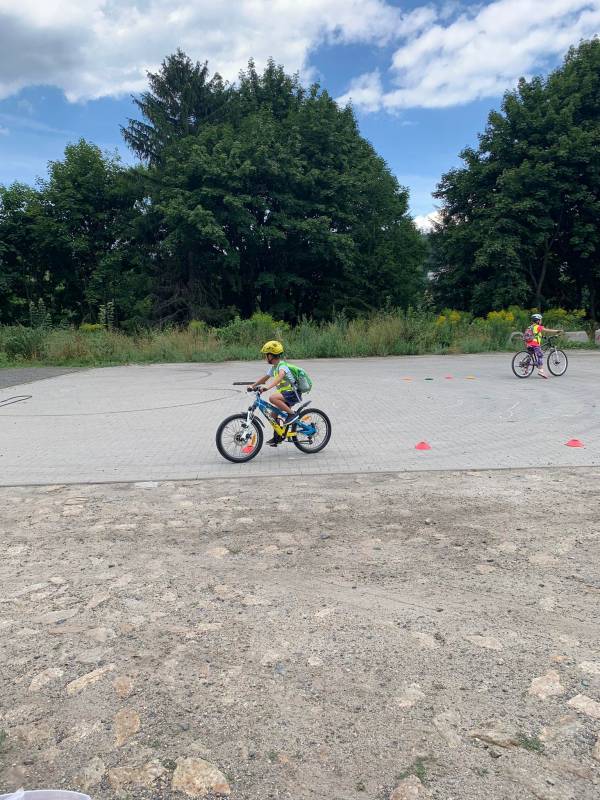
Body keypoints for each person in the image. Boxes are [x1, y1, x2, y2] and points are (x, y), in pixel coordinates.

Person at [249, 340, 302, 446]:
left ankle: (292, 415)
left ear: (271, 355)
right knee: (273, 416)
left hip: (293, 393)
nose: (265, 357)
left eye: (266, 355)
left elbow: (279, 377)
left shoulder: (282, 366)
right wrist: (253, 386)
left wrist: (267, 388)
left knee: (272, 398)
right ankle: (278, 437)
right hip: (286, 395)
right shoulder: (274, 367)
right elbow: (264, 378)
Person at [524, 313, 563, 378]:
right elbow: (547, 330)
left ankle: (526, 369)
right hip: (535, 344)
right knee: (540, 355)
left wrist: (543, 337)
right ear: (538, 321)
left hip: (528, 343)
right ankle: (541, 371)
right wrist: (556, 331)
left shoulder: (530, 327)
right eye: (540, 320)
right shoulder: (538, 327)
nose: (541, 321)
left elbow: (535, 334)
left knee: (530, 355)